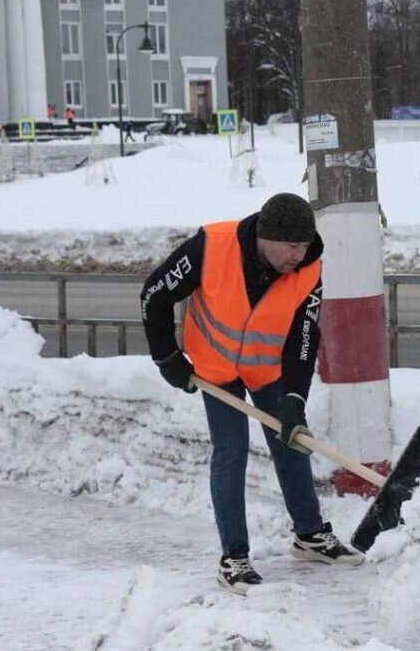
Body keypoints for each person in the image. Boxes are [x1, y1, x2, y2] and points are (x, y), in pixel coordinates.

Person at [141, 192, 362, 595]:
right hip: (215, 368)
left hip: (267, 369)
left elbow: (304, 337)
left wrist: (294, 397)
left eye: (304, 245)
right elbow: (155, 295)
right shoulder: (211, 246)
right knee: (231, 450)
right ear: (266, 236)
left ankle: (309, 535)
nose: (298, 255)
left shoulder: (309, 269)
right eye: (291, 246)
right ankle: (235, 558)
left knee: (294, 441)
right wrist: (167, 357)